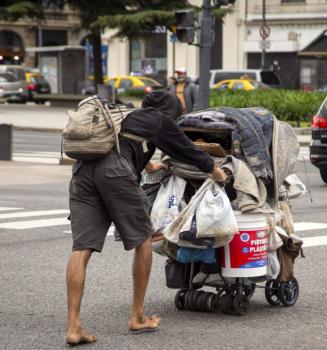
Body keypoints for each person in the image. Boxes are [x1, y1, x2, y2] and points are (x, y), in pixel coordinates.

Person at [65, 91, 226, 346]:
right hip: (115, 172)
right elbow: (186, 150)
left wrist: (149, 165)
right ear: (170, 110)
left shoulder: (128, 115)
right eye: (177, 113)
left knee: (81, 248)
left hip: (83, 172)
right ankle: (137, 316)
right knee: (144, 239)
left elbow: (124, 144)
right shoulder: (160, 119)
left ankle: (74, 327)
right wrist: (215, 172)